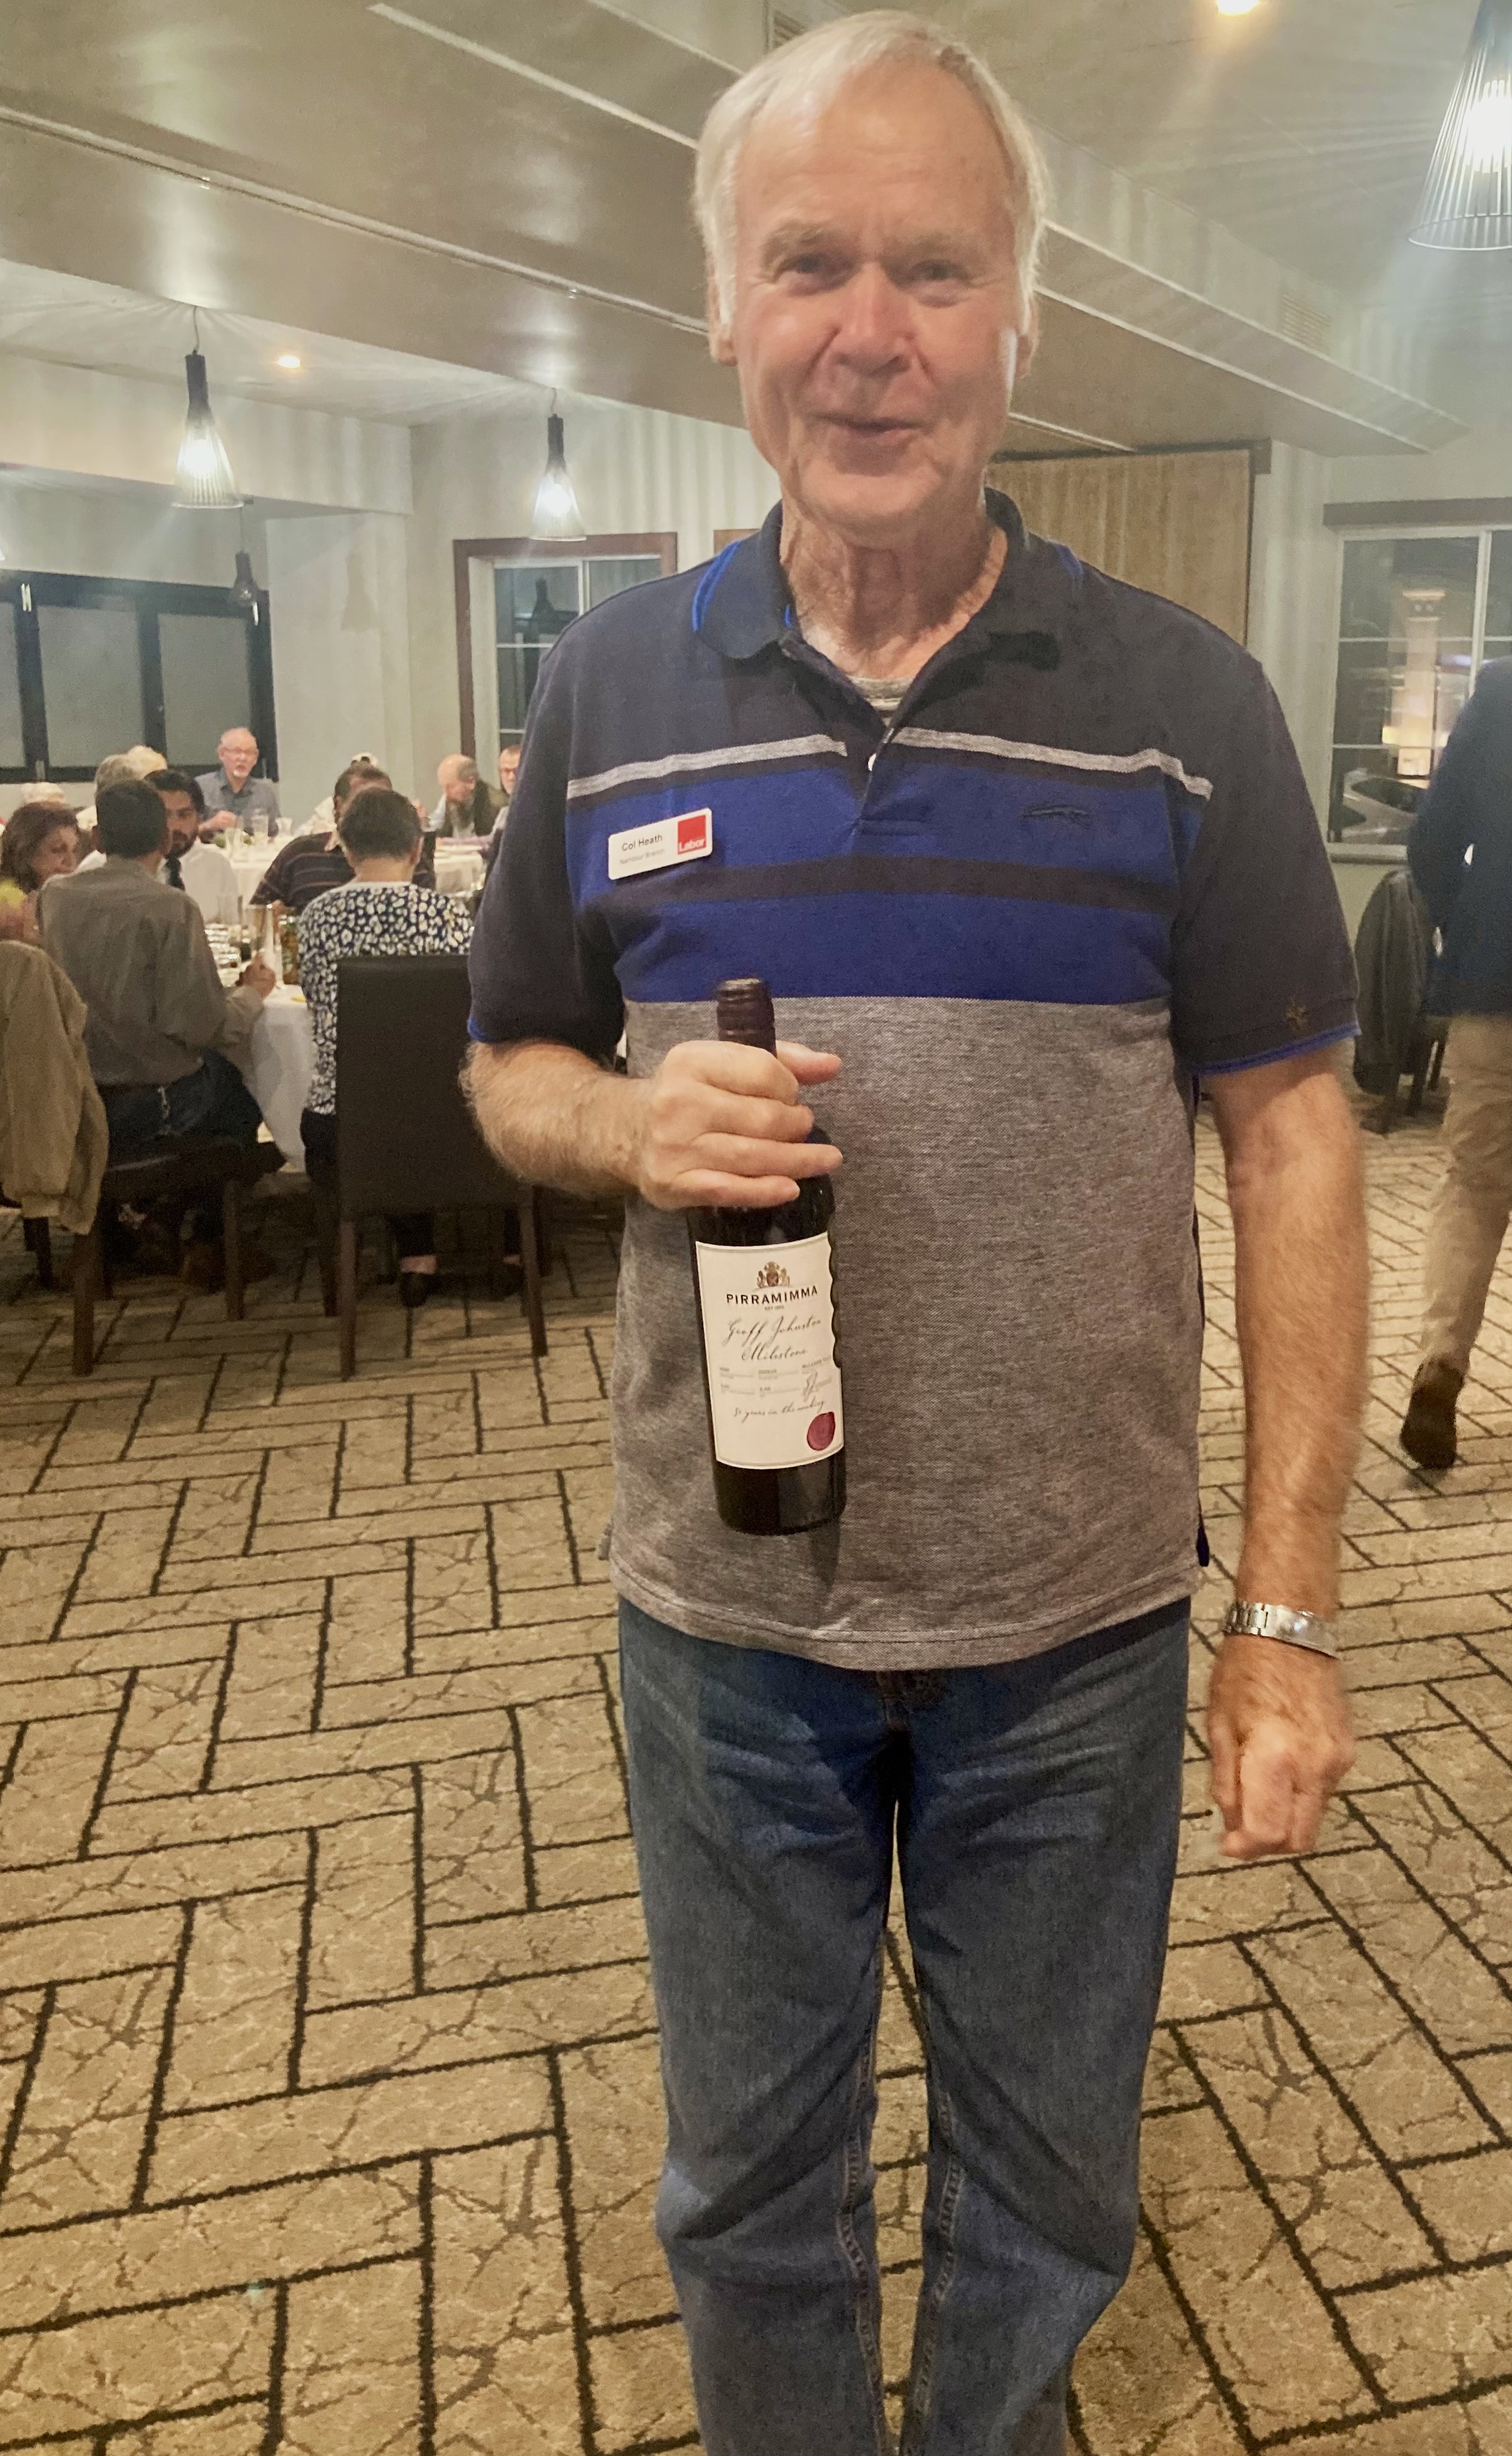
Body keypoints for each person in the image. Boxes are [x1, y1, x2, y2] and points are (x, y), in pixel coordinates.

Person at [463, 18, 1367, 2454]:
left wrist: (1283, 1614)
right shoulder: (609, 686)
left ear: (1018, 323)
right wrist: (627, 1125)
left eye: (933, 269)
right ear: (725, 314)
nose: (870, 331)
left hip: (1071, 1628)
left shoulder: (1185, 703)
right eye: (808, 264)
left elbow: (1295, 1137)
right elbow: (513, 1058)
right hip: (724, 1622)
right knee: (749, 2194)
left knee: (1046, 2189)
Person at [39, 780, 275, 1284]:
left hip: (73, 1097)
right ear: (166, 840)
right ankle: (208, 1238)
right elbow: (199, 1026)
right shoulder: (169, 907)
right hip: (149, 1102)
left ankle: (145, 1222)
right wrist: (252, 996)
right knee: (242, 1098)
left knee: (217, 1084)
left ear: (97, 839)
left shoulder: (55, 897)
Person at [297, 785, 473, 1308]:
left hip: (345, 1120)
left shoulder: (316, 918)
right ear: (417, 849)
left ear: (346, 849)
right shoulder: (448, 915)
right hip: (442, 1115)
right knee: (428, 1084)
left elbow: (315, 1003)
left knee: (371, 1090)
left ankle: (410, 1255)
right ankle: (439, 1254)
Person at [1400, 655, 1512, 1469]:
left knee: (1473, 1187)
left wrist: (1464, 925)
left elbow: (1431, 840)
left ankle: (1439, 1369)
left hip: (1494, 979)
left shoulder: (1501, 691)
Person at [254, 763, 435, 919]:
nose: (376, 812)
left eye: (384, 803)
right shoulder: (299, 854)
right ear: (338, 805)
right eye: (362, 803)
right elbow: (257, 913)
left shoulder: (409, 860)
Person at [152, 770, 240, 927]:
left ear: (199, 818)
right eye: (165, 816)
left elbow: (233, 928)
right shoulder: (127, 869)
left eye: (184, 815)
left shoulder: (216, 865)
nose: (174, 826)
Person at [0, 802, 81, 939]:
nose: (71, 862)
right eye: (58, 850)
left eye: (75, 850)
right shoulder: (11, 903)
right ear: (25, 853)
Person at [197, 727, 280, 838]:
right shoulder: (200, 787)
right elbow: (184, 835)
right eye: (237, 751)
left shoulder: (264, 793)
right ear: (222, 754)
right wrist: (210, 825)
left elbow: (276, 835)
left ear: (255, 758)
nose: (243, 758)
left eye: (249, 753)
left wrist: (241, 825)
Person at [428, 753, 496, 839]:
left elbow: (493, 843)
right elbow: (436, 826)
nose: (446, 793)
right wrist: (424, 820)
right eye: (443, 787)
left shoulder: (496, 806)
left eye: (451, 787)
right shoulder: (449, 799)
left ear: (471, 782)